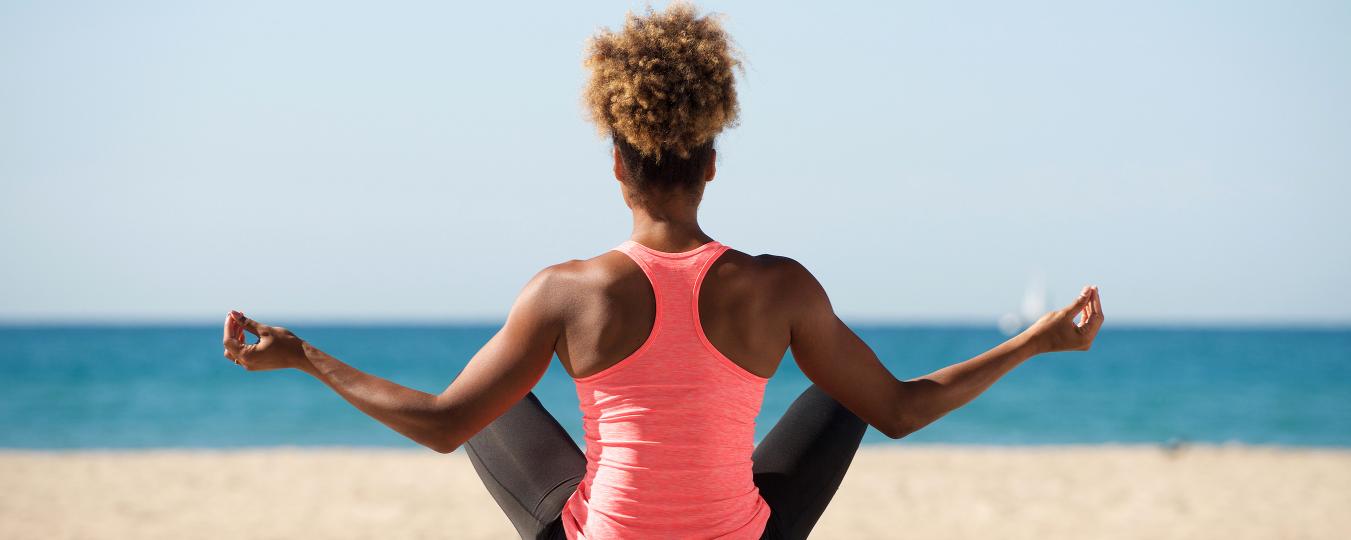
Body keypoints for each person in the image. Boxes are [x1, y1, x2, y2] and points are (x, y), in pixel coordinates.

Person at [220, 3, 1105, 539]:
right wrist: (1032, 341)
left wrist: (303, 357)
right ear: (711, 163)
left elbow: (443, 424)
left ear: (616, 163)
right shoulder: (780, 287)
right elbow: (905, 410)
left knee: (491, 404)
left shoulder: (565, 294)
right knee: (850, 390)